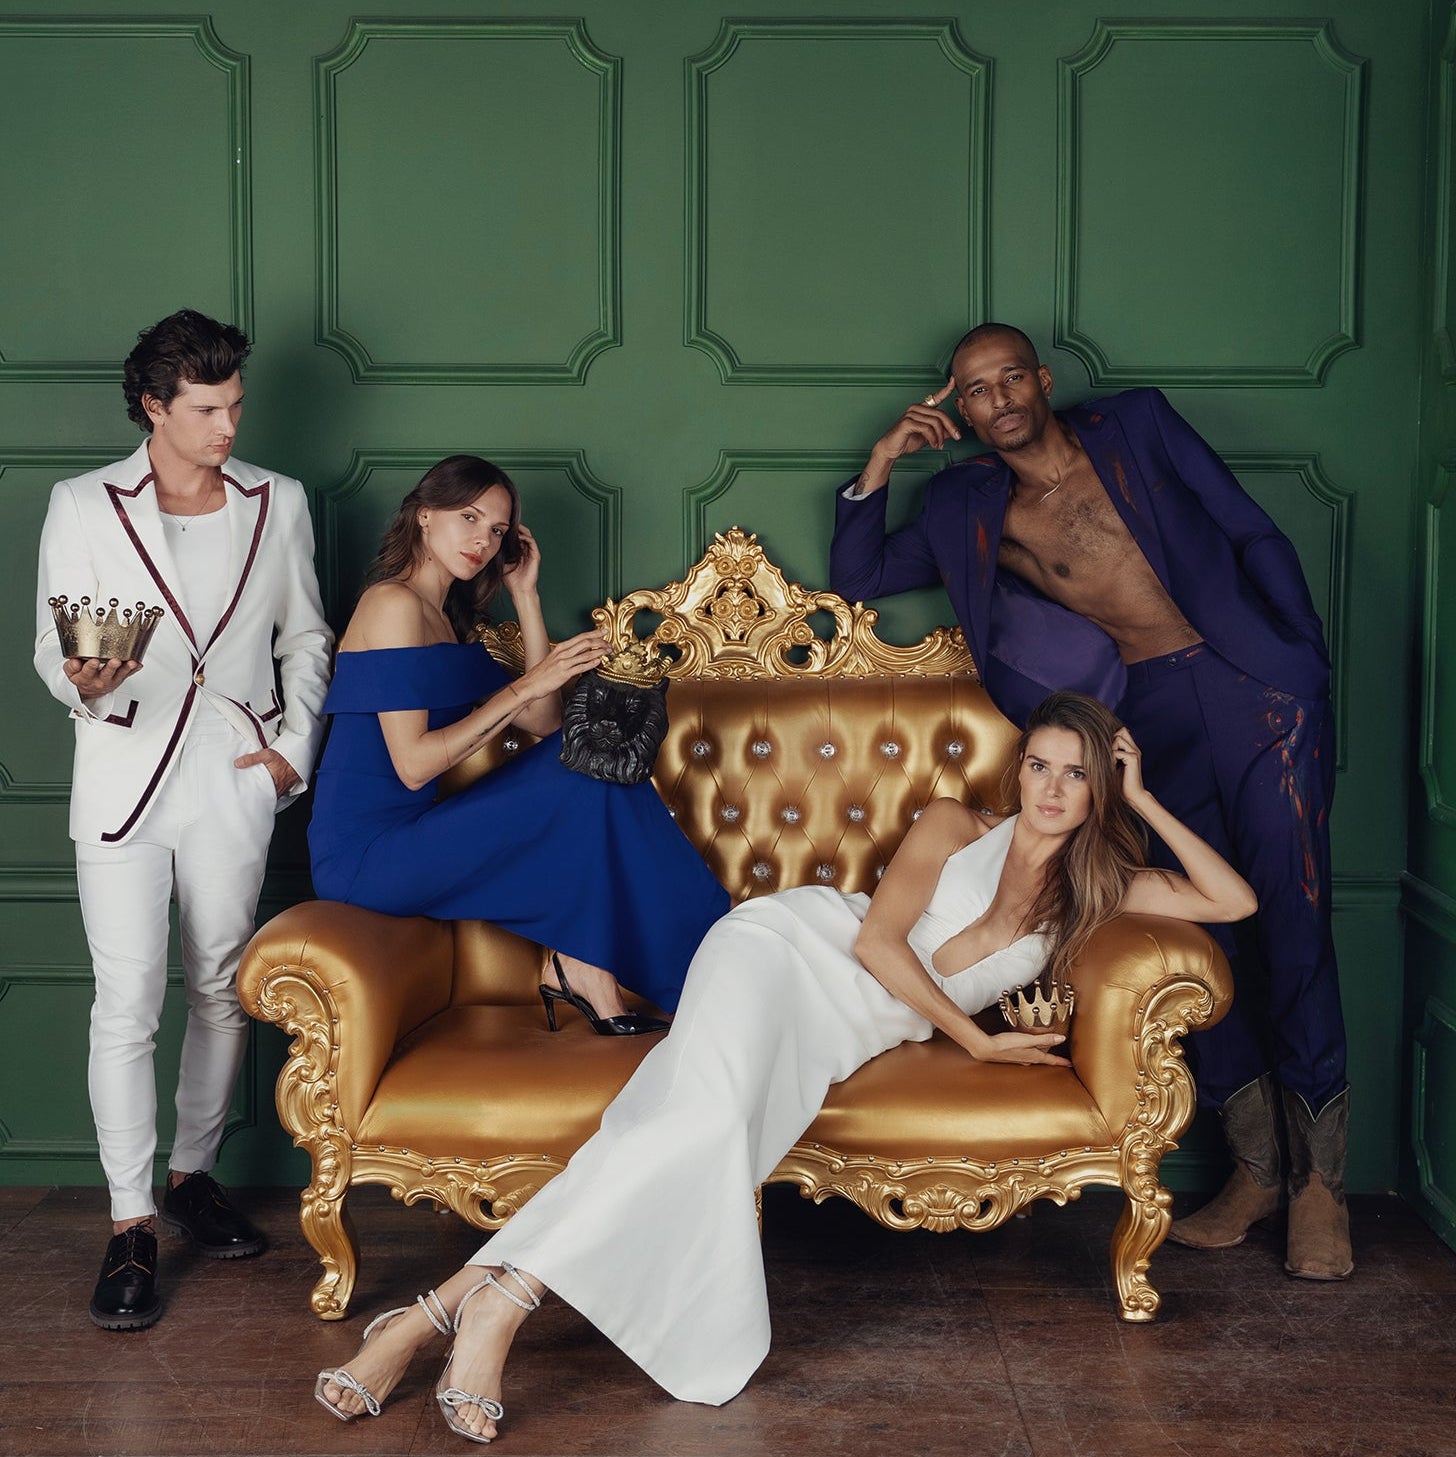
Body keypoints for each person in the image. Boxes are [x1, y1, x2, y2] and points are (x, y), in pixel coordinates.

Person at [309, 691, 1255, 1441]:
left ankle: (424, 1315)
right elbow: (879, 945)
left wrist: (1142, 797)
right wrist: (974, 1039)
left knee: (675, 1130)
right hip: (784, 950)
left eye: (1077, 774)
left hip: (834, 1038)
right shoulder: (955, 824)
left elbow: (1232, 900)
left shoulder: (1095, 890)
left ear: (1096, 790)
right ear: (1020, 770)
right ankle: (501, 1311)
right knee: (707, 1124)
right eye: (1040, 765)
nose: (1051, 788)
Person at [829, 322, 1351, 1281]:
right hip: (1142, 720)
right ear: (961, 410)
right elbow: (858, 576)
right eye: (976, 390)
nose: (999, 399)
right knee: (1197, 932)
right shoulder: (968, 503)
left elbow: (1249, 529)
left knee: (1294, 915)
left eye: (1010, 378)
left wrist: (1304, 661)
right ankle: (1258, 1173)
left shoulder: (1138, 427)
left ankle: (1322, 1183)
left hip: (1258, 691)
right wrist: (880, 463)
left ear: (1041, 378)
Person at [32, 309, 334, 1330]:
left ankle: (192, 1173)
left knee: (217, 985)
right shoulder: (83, 503)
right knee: (126, 1003)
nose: (228, 426)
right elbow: (53, 646)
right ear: (153, 406)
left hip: (232, 777)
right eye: (206, 409)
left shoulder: (277, 500)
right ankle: (130, 1222)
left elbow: (306, 634)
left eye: (235, 404)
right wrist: (85, 681)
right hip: (123, 770)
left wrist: (292, 748)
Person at [306, 453, 729, 1028]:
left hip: (412, 833)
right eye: (469, 518)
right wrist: (531, 681)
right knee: (590, 765)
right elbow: (413, 766)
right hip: (365, 855)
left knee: (594, 761)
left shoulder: (447, 620)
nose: (483, 541)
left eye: (498, 530)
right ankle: (714, 959)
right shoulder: (391, 604)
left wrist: (526, 596)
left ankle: (599, 966)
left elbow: (545, 723)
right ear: (425, 515)